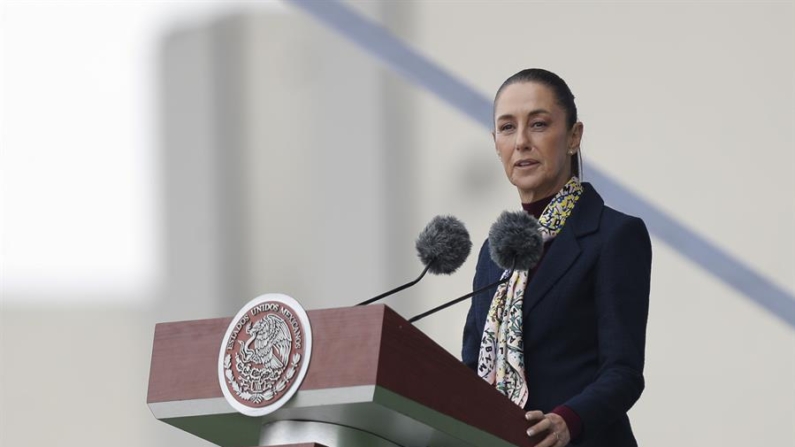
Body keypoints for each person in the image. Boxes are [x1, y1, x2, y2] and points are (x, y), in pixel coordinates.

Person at [462, 68, 652, 447]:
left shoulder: (613, 236)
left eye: (538, 124)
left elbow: (623, 371)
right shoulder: (494, 253)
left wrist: (569, 421)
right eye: (507, 128)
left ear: (573, 137)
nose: (521, 142)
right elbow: (468, 372)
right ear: (495, 143)